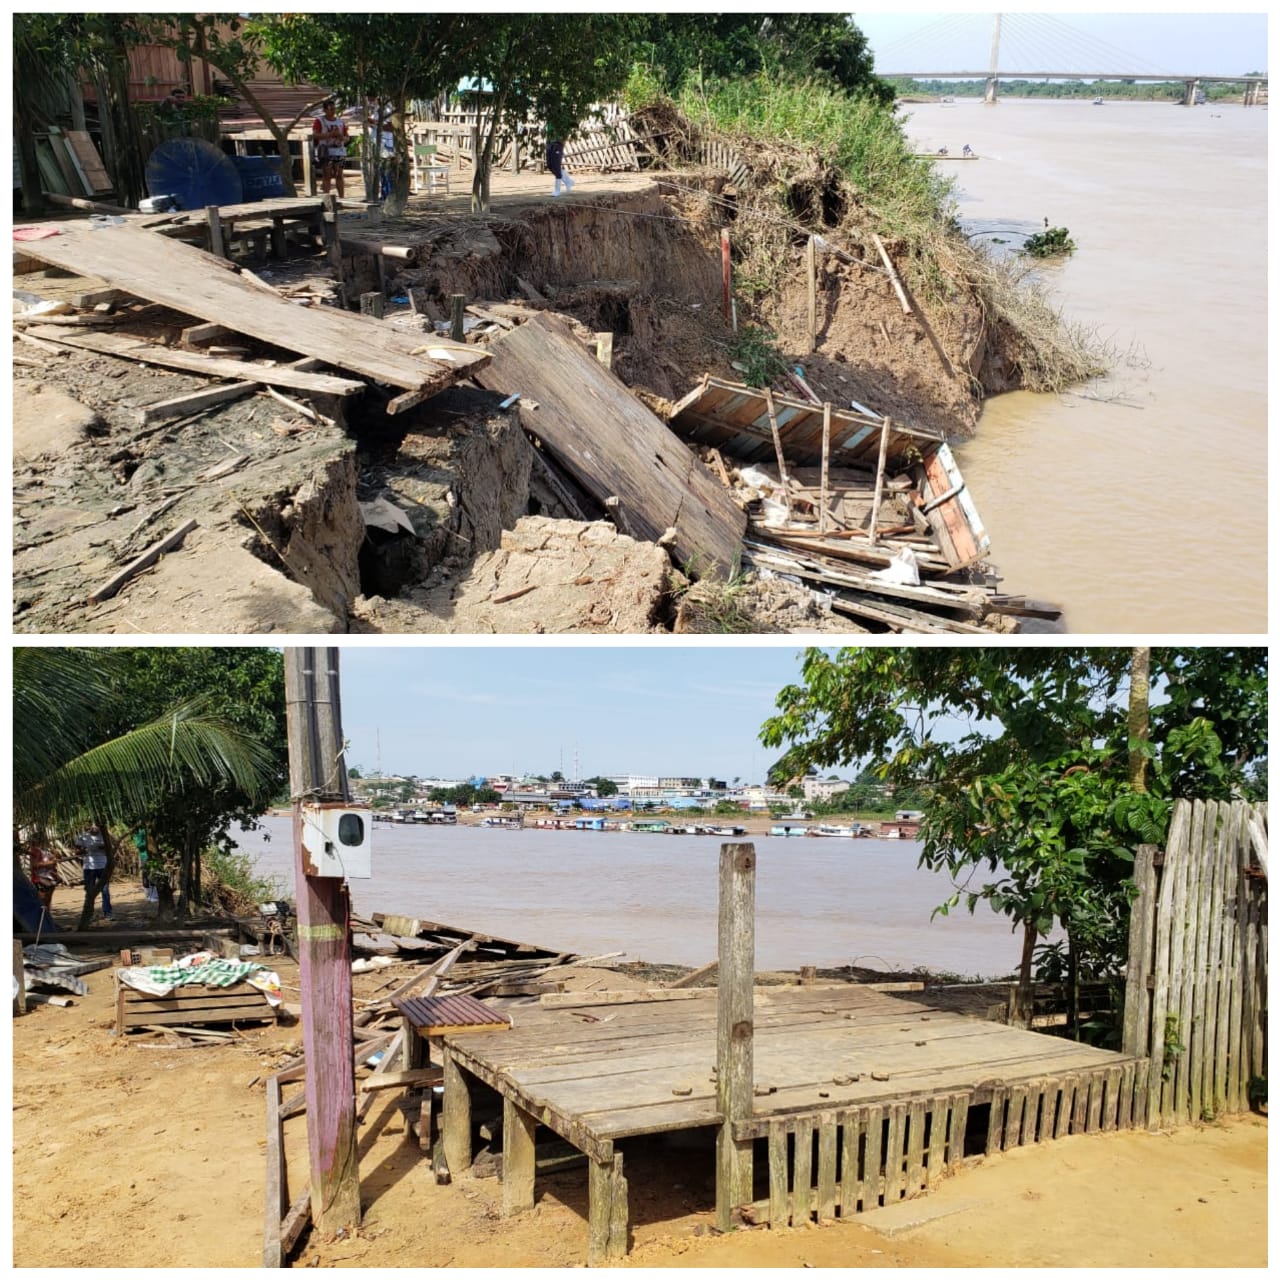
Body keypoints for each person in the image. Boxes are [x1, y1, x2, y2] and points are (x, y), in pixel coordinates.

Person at [73, 824, 111, 929]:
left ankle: (107, 912)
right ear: (90, 826)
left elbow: (110, 849)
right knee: (89, 891)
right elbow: (76, 851)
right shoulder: (82, 837)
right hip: (89, 867)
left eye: (97, 826)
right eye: (93, 826)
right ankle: (89, 914)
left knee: (105, 890)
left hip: (103, 865)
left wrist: (103, 847)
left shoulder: (104, 836)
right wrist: (86, 850)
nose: (95, 828)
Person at [312, 98, 349, 198]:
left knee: (339, 174)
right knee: (327, 175)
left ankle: (341, 197)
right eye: (330, 109)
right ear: (325, 110)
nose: (333, 111)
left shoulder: (340, 122)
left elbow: (347, 137)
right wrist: (330, 134)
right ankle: (326, 198)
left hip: (339, 150)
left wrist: (342, 137)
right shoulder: (319, 121)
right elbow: (315, 135)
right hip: (326, 150)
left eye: (334, 109)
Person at [27, 836, 58, 915]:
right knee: (42, 902)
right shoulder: (34, 851)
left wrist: (53, 860)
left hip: (49, 878)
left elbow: (55, 858)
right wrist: (50, 863)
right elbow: (35, 865)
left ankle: (47, 919)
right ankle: (43, 920)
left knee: (47, 902)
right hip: (41, 879)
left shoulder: (45, 851)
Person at [132, 825, 159, 905]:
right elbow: (138, 845)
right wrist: (147, 842)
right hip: (145, 856)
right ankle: (148, 895)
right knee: (146, 875)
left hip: (154, 855)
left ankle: (154, 895)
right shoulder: (138, 832)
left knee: (155, 874)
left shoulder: (152, 828)